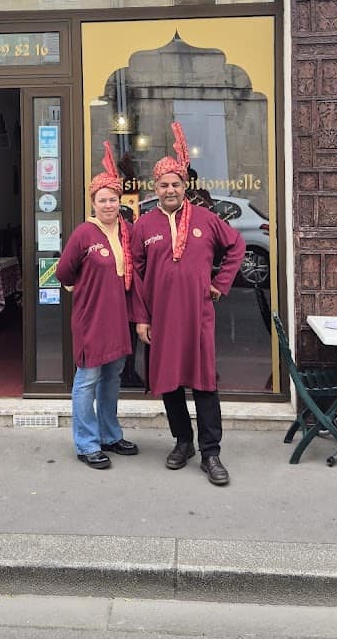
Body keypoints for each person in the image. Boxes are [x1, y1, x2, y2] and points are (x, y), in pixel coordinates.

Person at [131, 123, 245, 486]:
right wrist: (142, 319)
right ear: (156, 187)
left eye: (175, 184)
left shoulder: (208, 220)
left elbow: (237, 248)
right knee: (168, 384)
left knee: (205, 384)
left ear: (185, 187)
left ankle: (211, 453)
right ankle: (183, 442)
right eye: (163, 184)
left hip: (198, 317)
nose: (169, 190)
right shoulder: (144, 224)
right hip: (161, 319)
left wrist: (219, 284)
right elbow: (135, 272)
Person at [56, 142, 140, 470]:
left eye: (113, 199)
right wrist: (80, 286)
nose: (108, 204)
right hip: (91, 318)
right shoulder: (83, 234)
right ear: (93, 202)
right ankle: (87, 444)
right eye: (102, 199)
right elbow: (64, 271)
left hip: (118, 319)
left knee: (112, 377)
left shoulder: (127, 231)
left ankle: (110, 435)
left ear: (120, 202)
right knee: (87, 378)